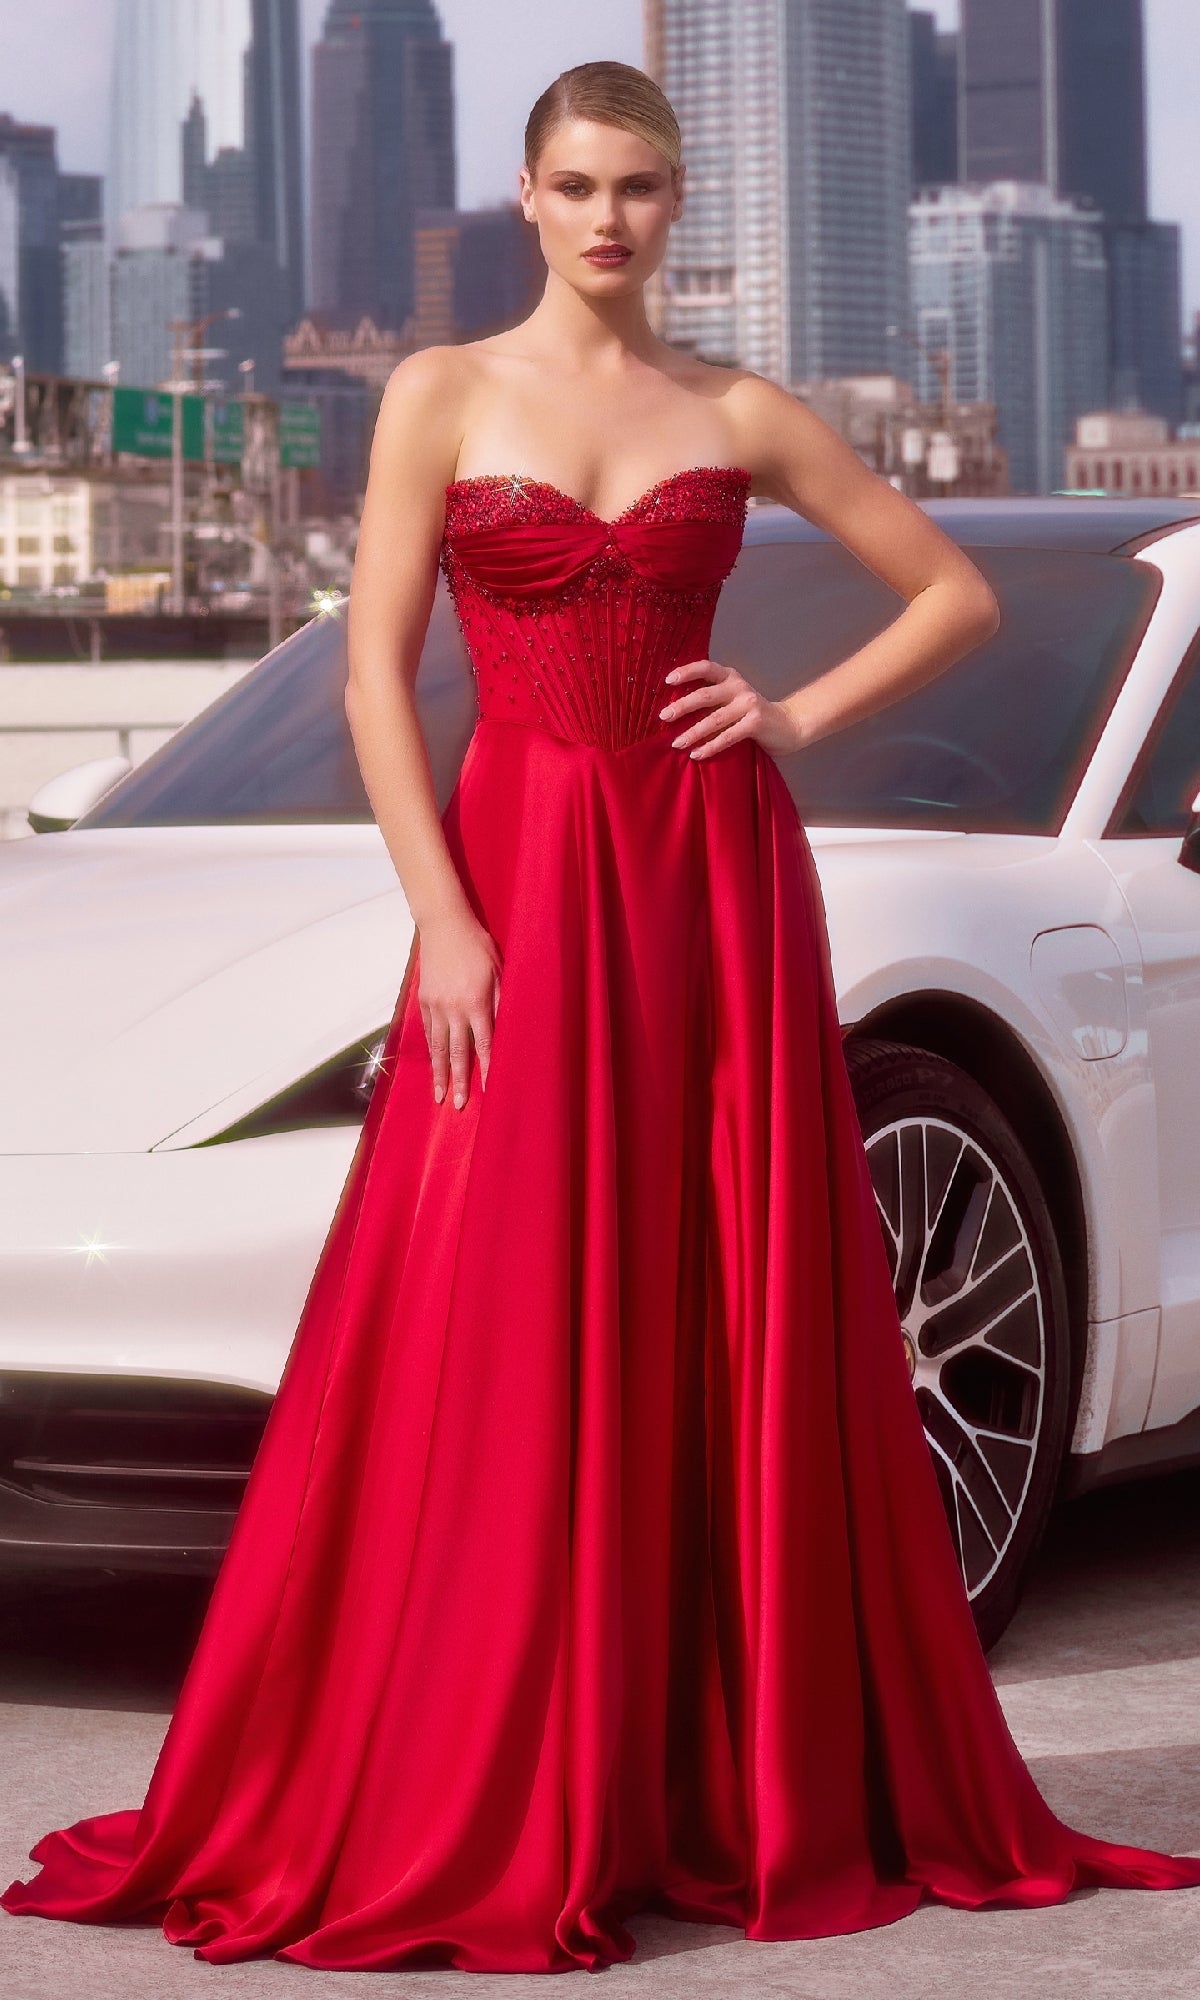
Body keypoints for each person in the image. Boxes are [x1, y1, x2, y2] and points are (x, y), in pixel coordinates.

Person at [4, 57, 1199, 1977]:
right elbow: (384, 677)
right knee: (503, 1288)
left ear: (676, 200)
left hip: (709, 880)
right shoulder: (439, 393)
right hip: (521, 877)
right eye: (577, 185)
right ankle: (507, 1760)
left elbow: (952, 593)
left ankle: (695, 1777)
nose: (610, 218)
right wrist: (444, 920)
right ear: (529, 194)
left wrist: (794, 720)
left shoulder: (735, 409)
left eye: (641, 186)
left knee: (719, 1285)